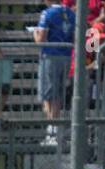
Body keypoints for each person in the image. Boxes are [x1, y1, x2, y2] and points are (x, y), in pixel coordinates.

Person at [33, 0, 76, 146]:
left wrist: (34, 33)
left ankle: (52, 131)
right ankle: (53, 129)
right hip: (65, 56)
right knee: (55, 94)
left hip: (50, 56)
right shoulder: (70, 13)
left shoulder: (48, 13)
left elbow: (40, 39)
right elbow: (74, 36)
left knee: (50, 95)